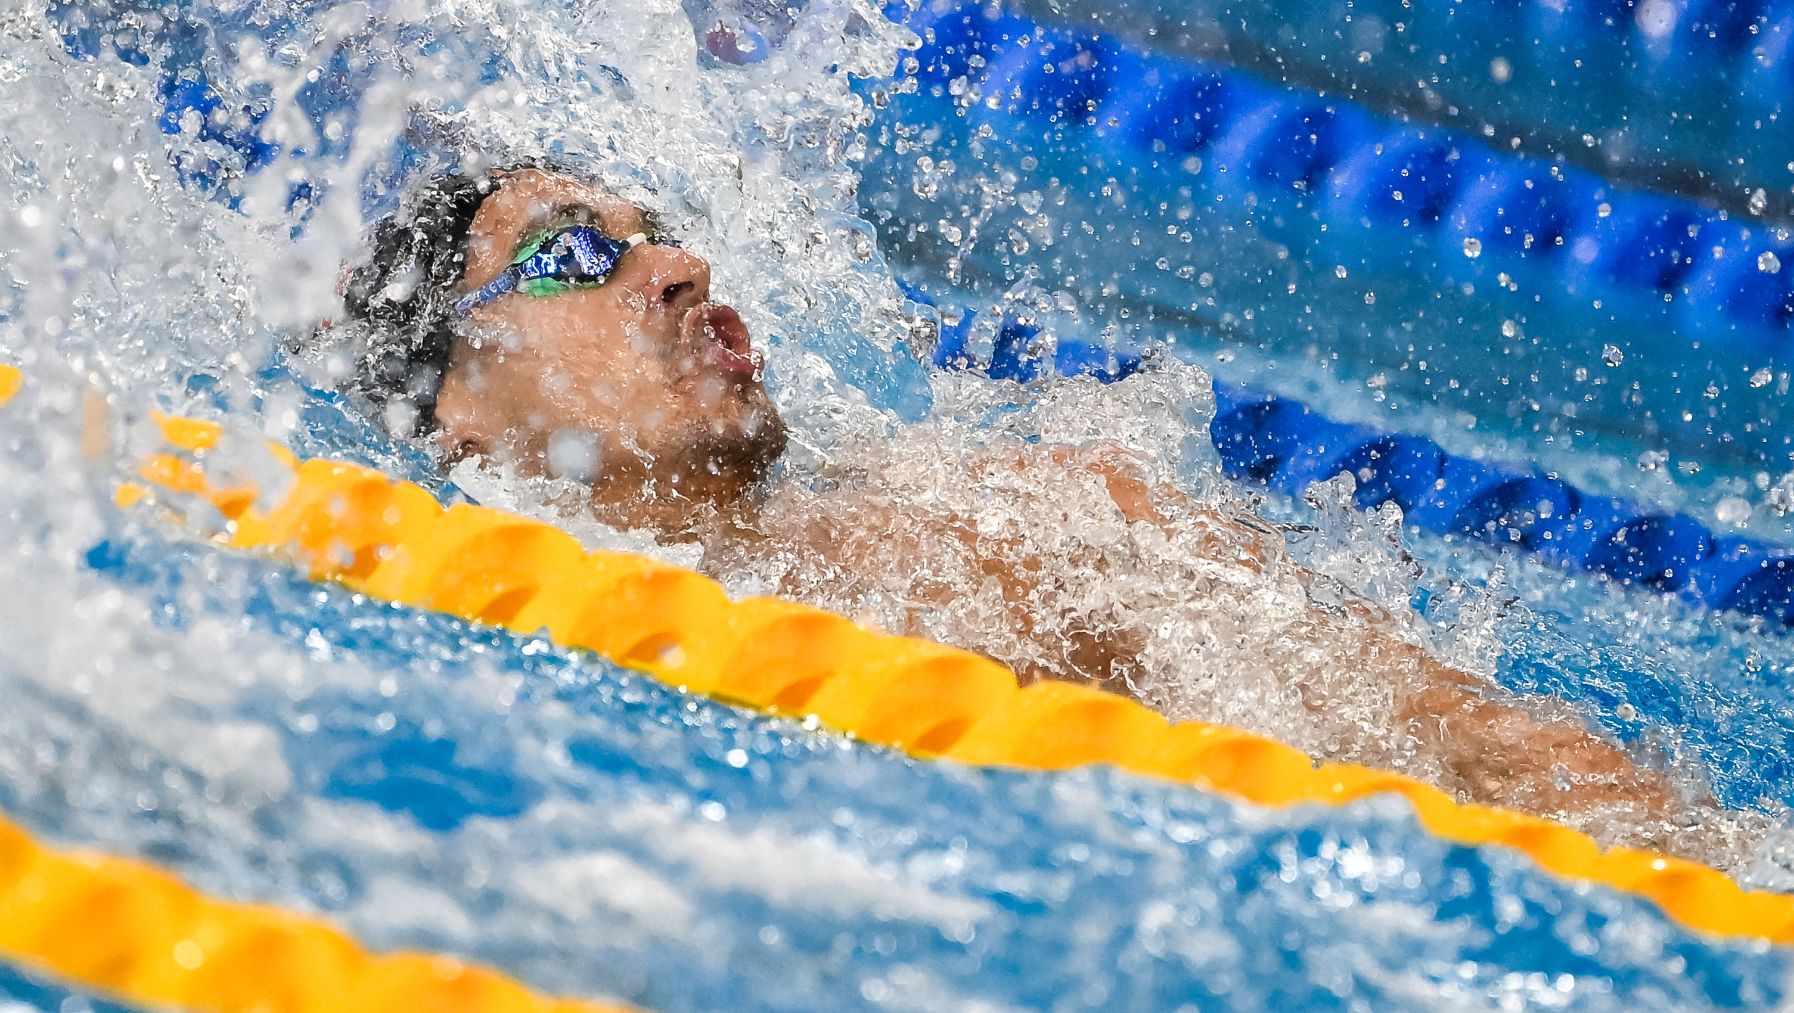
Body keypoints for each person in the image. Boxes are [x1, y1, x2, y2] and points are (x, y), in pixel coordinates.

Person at [316, 164, 1720, 857]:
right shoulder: (443, 661)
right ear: (464, 417)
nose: (680, 261)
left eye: (662, 224)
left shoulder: (1022, 516)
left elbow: (1469, 735)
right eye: (577, 254)